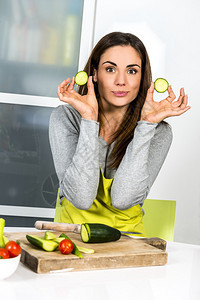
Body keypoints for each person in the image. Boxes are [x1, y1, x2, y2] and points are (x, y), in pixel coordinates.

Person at [49, 32, 190, 235]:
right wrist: (89, 119)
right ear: (95, 74)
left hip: (128, 243)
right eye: (110, 69)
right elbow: (81, 198)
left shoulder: (158, 131)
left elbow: (123, 199)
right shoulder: (66, 118)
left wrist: (146, 125)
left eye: (132, 71)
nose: (121, 81)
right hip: (70, 239)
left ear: (142, 78)